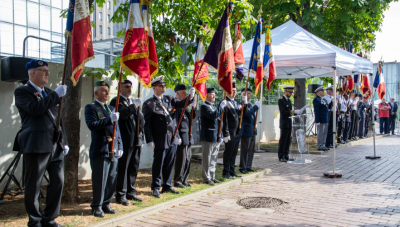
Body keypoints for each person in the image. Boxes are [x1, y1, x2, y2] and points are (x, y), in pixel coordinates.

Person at [14, 59, 68, 227]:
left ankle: (50, 218)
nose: (47, 73)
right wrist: (55, 96)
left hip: (55, 144)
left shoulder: (50, 93)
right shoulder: (22, 91)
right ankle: (35, 220)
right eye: (43, 70)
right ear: (32, 73)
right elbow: (34, 109)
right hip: (36, 144)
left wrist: (64, 141)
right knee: (34, 184)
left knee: (58, 182)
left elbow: (59, 120)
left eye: (47, 70)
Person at [142, 76, 195, 198]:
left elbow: (182, 104)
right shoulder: (149, 104)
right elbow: (147, 124)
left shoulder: (169, 99)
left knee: (170, 162)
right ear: (154, 87)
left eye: (164, 85)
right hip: (159, 138)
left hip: (172, 137)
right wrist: (149, 140)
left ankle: (167, 185)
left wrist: (190, 97)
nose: (163, 87)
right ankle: (155, 187)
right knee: (158, 163)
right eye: (161, 85)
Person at [84, 81, 123, 217]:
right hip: (100, 149)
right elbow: (92, 125)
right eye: (103, 91)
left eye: (108, 90)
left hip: (113, 149)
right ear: (96, 93)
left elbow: (117, 130)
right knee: (100, 180)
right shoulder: (91, 107)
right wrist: (109, 120)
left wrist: (120, 145)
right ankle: (97, 206)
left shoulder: (111, 108)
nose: (107, 93)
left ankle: (106, 203)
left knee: (111, 178)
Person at [109, 79, 144, 206]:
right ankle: (121, 194)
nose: (130, 89)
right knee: (123, 168)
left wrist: (141, 135)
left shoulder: (131, 101)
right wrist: (134, 106)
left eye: (131, 87)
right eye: (127, 86)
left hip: (136, 139)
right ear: (120, 88)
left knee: (133, 166)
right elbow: (123, 115)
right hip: (125, 140)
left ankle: (130, 191)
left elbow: (141, 120)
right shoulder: (116, 101)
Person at [200, 87, 226, 184]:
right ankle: (206, 178)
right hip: (208, 136)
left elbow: (220, 122)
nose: (214, 96)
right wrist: (221, 107)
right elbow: (212, 115)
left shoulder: (214, 106)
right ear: (207, 96)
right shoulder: (204, 106)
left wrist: (222, 135)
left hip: (216, 136)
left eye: (214, 94)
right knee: (207, 158)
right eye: (212, 94)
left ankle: (212, 175)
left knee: (214, 158)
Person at [173, 84, 196, 188]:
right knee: (181, 160)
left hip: (187, 135)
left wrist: (193, 108)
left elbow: (192, 117)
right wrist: (177, 136)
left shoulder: (185, 106)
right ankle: (178, 180)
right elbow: (175, 122)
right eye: (183, 93)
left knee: (187, 159)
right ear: (177, 94)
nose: (185, 95)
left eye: (186, 94)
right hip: (181, 136)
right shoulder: (176, 105)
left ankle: (184, 179)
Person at [222, 83, 242, 179]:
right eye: (232, 90)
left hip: (237, 131)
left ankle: (231, 169)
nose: (234, 92)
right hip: (229, 131)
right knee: (228, 152)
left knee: (234, 152)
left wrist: (244, 106)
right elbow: (224, 119)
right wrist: (225, 133)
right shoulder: (225, 102)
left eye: (235, 90)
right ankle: (226, 172)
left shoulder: (237, 102)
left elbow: (243, 115)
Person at [239, 88, 260, 173]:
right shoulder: (242, 104)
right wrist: (256, 107)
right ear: (243, 94)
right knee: (245, 150)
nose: (250, 95)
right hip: (246, 130)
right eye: (248, 93)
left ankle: (248, 165)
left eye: (250, 93)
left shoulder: (250, 105)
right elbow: (247, 114)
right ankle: (242, 167)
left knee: (251, 150)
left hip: (252, 130)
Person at [277, 86, 301, 162]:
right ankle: (281, 155)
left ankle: (286, 154)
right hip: (284, 123)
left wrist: (296, 113)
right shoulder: (281, 100)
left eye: (291, 93)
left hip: (289, 123)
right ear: (286, 92)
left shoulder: (289, 101)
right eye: (289, 92)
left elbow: (290, 112)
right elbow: (283, 112)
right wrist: (294, 112)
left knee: (288, 140)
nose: (290, 94)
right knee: (283, 140)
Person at [313, 86, 329, 151]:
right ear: (318, 92)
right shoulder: (316, 99)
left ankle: (323, 144)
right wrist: (317, 120)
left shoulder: (323, 99)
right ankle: (320, 145)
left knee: (324, 133)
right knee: (320, 133)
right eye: (322, 91)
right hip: (321, 119)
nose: (323, 92)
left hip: (325, 118)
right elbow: (316, 111)